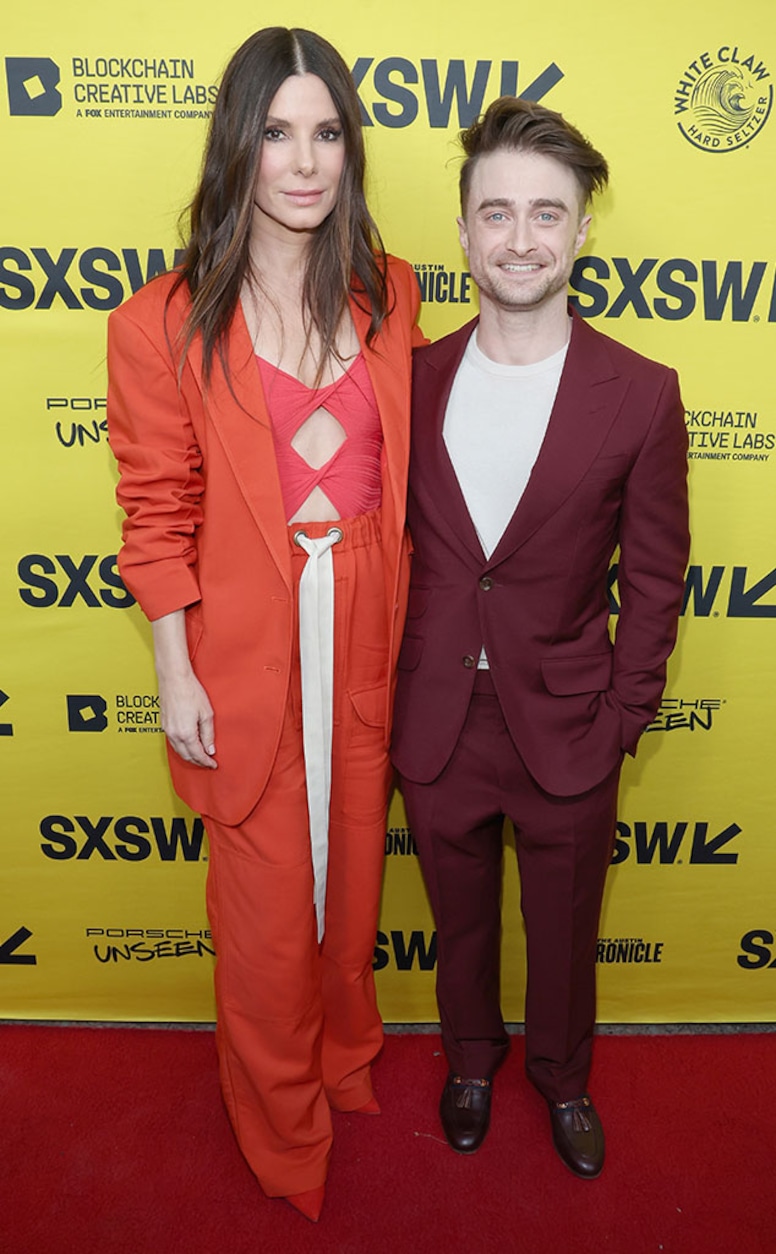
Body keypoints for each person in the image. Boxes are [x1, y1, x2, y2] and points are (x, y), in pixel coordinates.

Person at [107, 27, 423, 1222]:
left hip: (369, 631)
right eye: (277, 132)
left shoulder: (387, 293)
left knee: (348, 887)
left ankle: (343, 1056)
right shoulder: (162, 324)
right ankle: (281, 1126)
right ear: (237, 143)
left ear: (350, 147)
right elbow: (156, 510)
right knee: (266, 911)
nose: (304, 162)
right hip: (243, 648)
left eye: (327, 132)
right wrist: (173, 670)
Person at [392, 97, 689, 1179]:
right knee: (457, 922)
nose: (521, 238)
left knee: (563, 932)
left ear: (581, 230)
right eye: (497, 213)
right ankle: (469, 1058)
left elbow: (655, 577)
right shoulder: (408, 380)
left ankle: (562, 1079)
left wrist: (624, 713)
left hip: (569, 721)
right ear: (463, 231)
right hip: (433, 720)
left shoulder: (642, 396)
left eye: (546, 214)